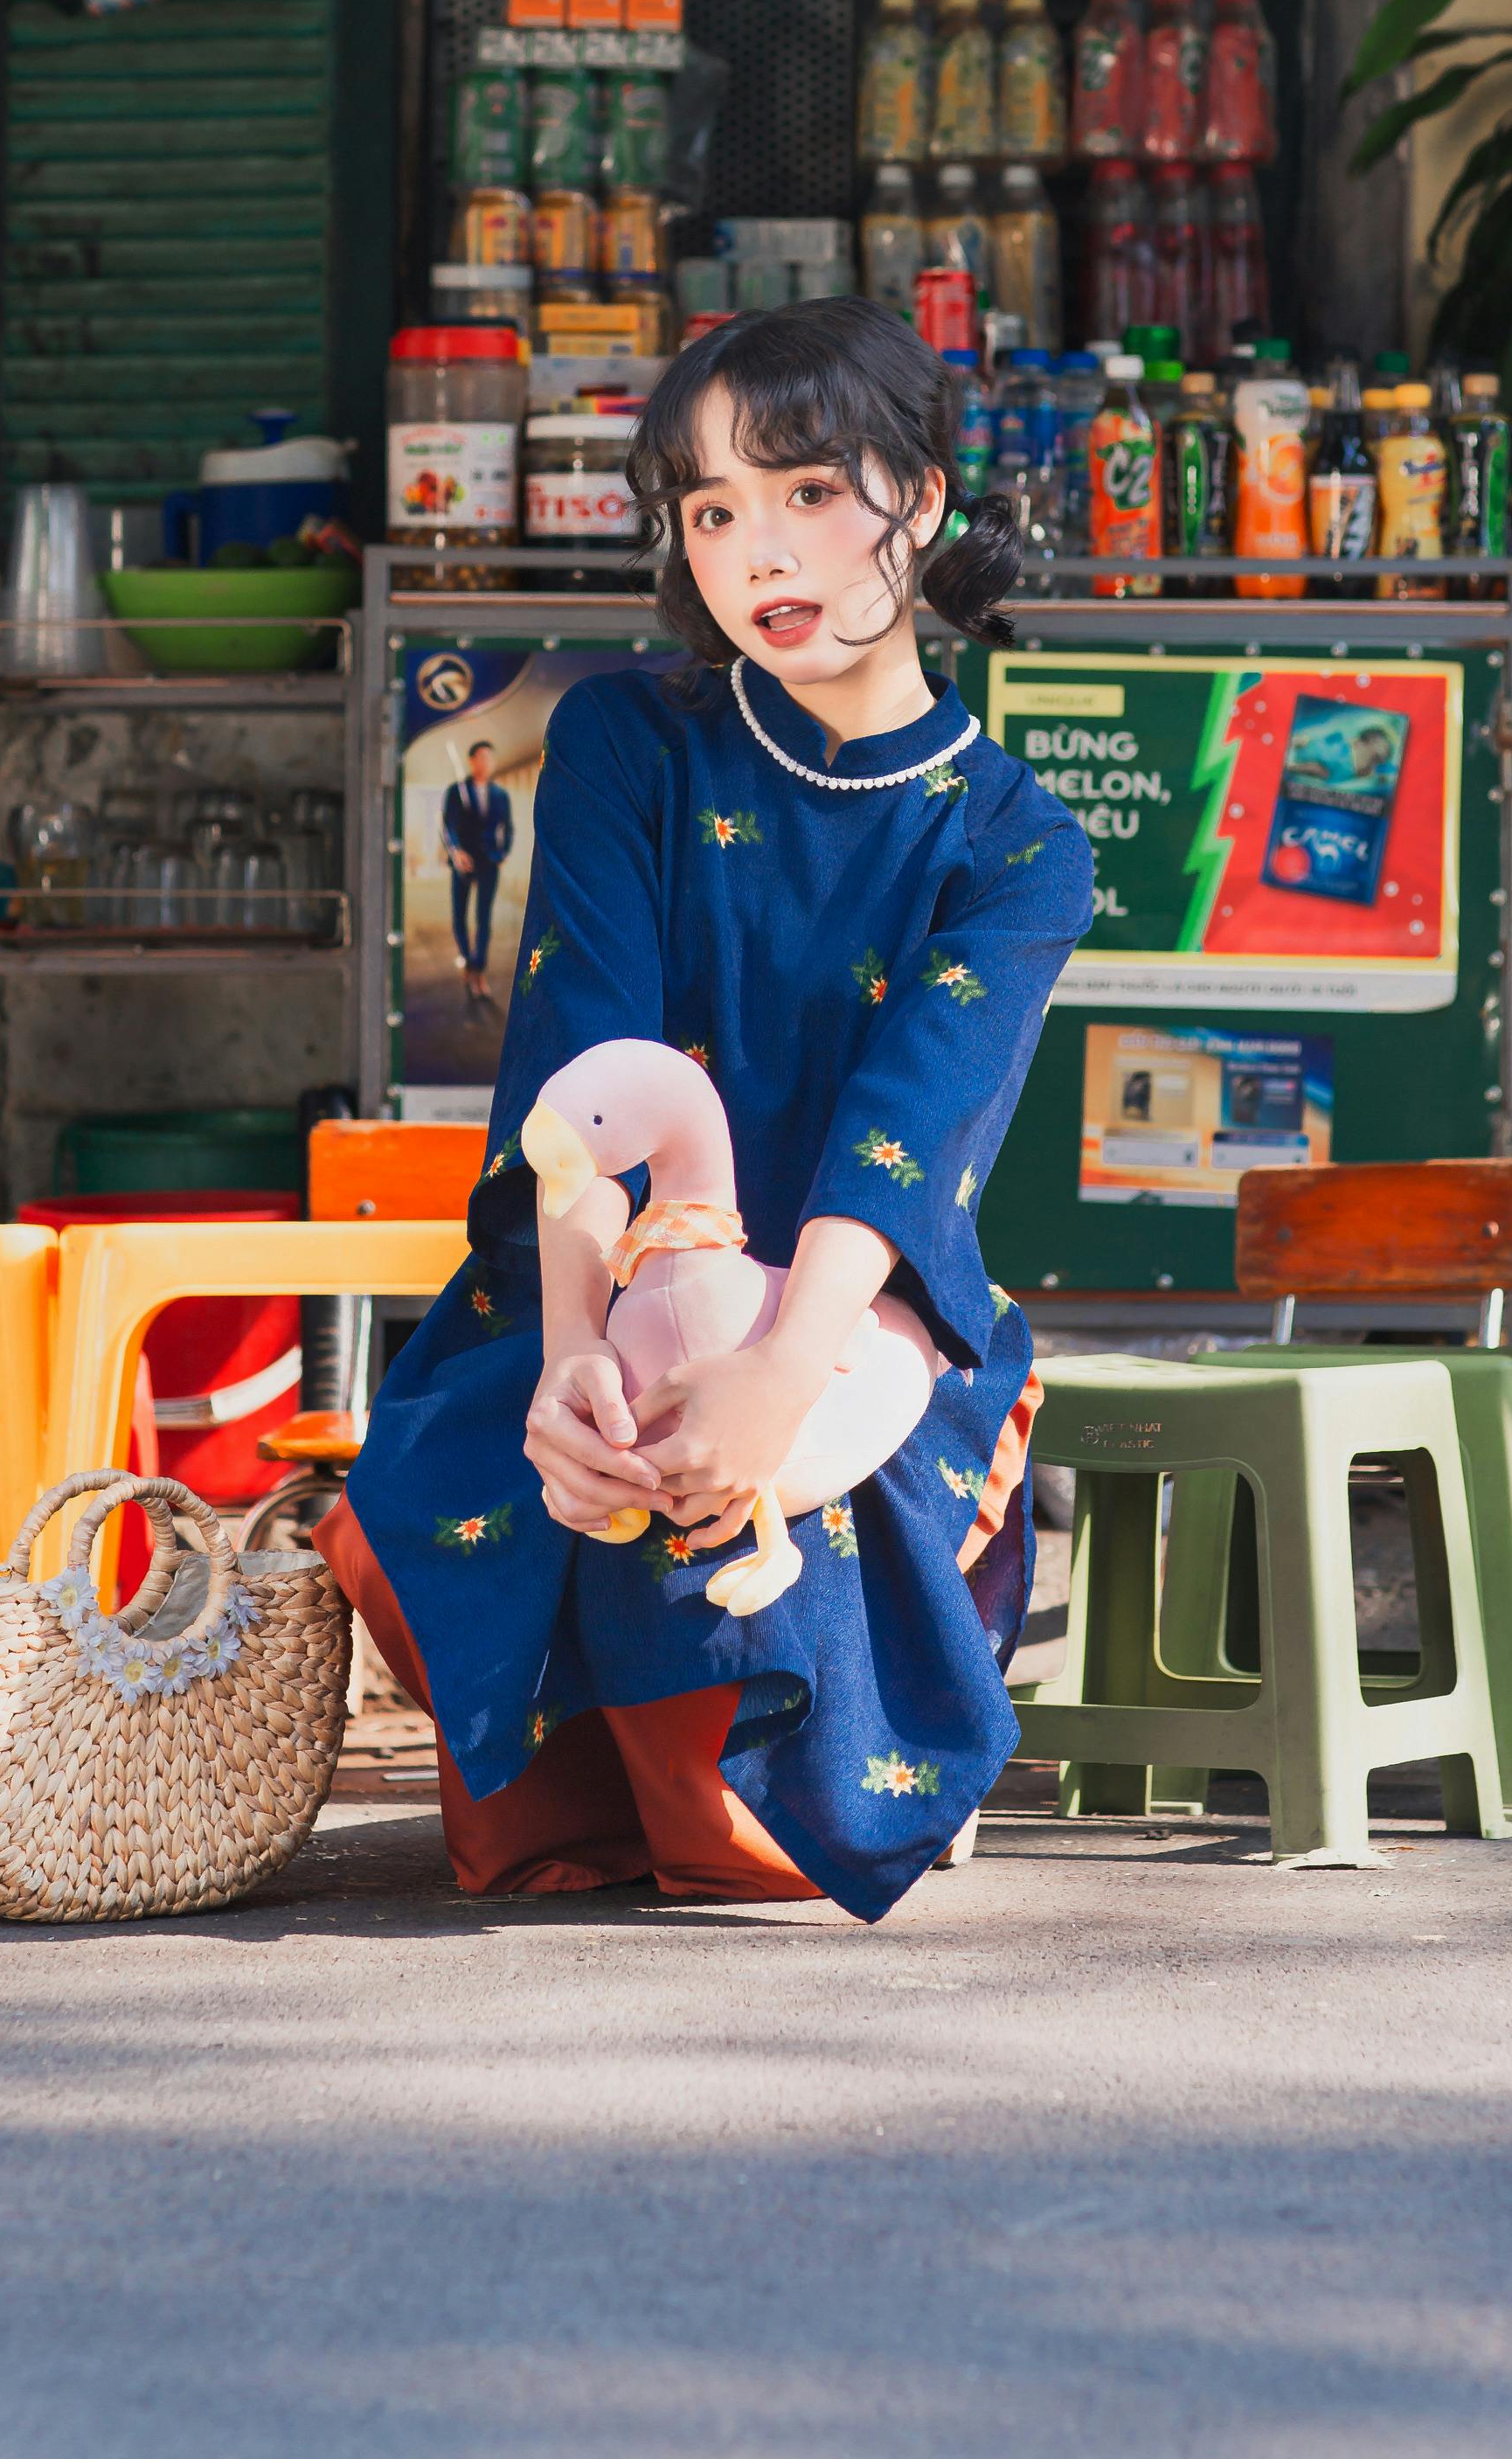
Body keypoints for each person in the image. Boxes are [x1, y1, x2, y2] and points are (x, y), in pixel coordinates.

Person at [316, 301, 1095, 1919]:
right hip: (594, 1287)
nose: (761, 548)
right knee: (461, 1489)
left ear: (924, 497)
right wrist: (569, 1359)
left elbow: (907, 1136)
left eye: (810, 490)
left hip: (857, 1319)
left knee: (745, 1836)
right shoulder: (626, 740)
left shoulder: (1021, 846)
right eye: (714, 506)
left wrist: (772, 1382)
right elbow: (575, 1079)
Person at [440, 737, 515, 1006]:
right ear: (472, 761)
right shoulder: (455, 791)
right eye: (481, 757)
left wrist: (502, 853)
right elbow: (447, 827)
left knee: (484, 919)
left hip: (488, 863)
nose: (486, 763)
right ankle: (468, 962)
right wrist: (456, 852)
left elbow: (509, 828)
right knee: (458, 917)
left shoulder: (500, 795)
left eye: (490, 758)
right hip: (463, 862)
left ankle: (478, 971)